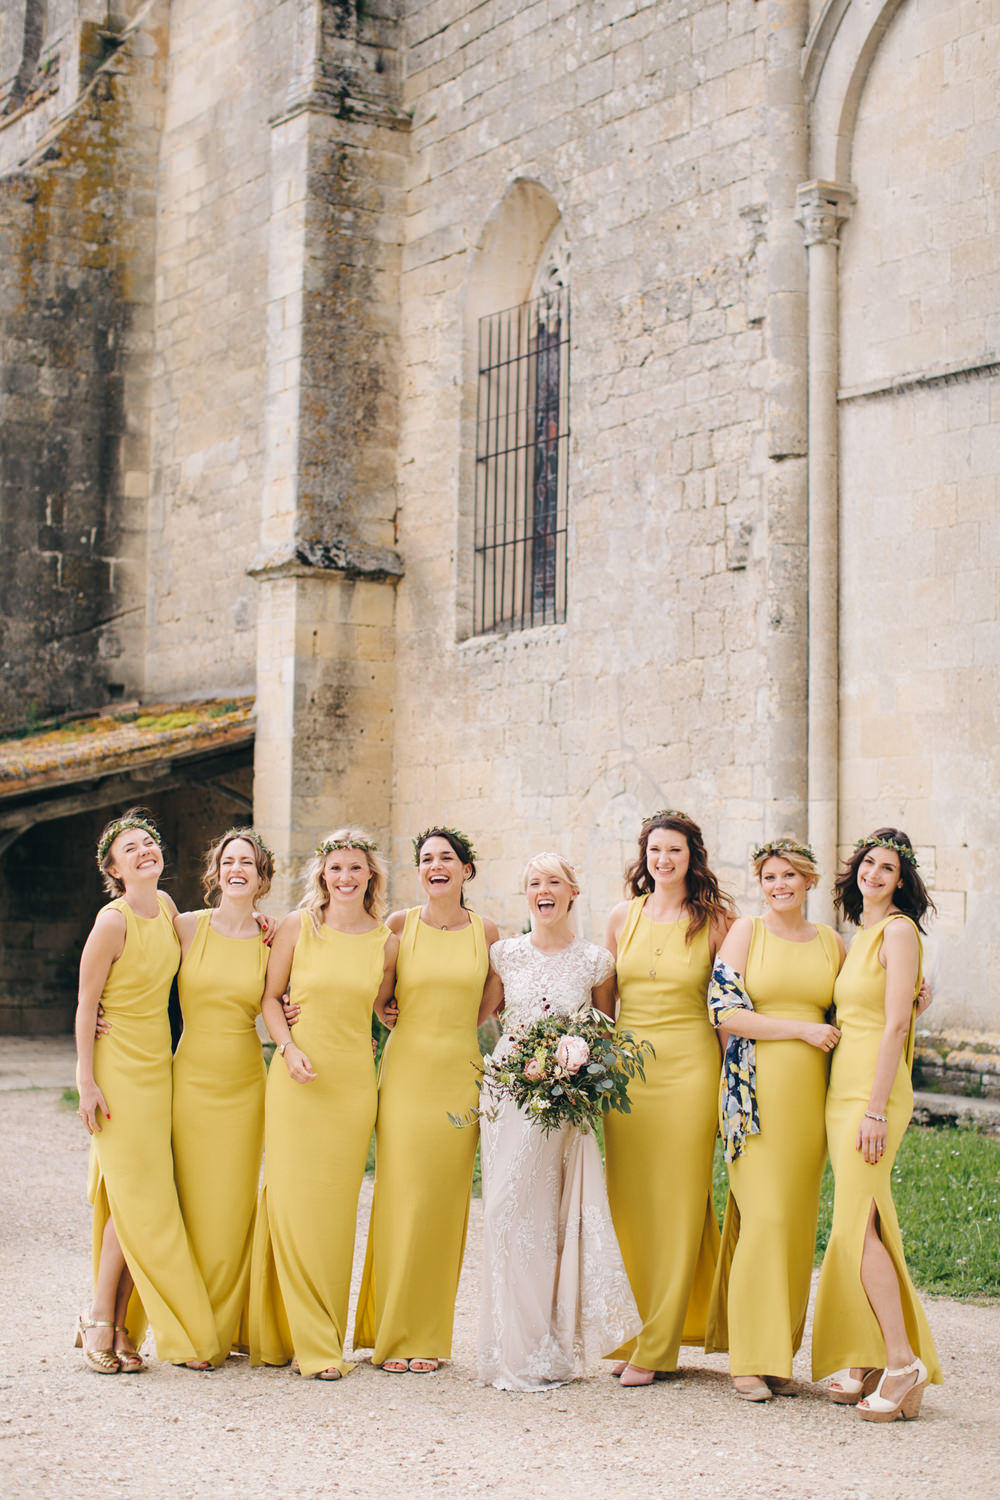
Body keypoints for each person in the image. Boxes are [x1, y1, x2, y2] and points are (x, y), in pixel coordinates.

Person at [477, 852, 641, 1391]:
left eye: (553, 883)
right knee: (504, 1211)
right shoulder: (504, 954)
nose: (542, 891)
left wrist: (573, 1066)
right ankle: (509, 1346)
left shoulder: (596, 961)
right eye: (532, 883)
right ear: (526, 895)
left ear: (573, 892)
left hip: (563, 1103)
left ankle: (546, 1345)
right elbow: (478, 1013)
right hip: (507, 1093)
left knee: (548, 1217)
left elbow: (604, 1031)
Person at [74, 809, 219, 1373]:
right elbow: (87, 1004)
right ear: (113, 867)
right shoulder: (111, 922)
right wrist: (86, 1081)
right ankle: (101, 1320)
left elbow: (204, 940)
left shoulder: (166, 909)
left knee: (137, 1196)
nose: (143, 852)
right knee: (141, 1199)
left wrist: (262, 925)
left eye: (149, 844)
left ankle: (117, 1322)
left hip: (160, 1068)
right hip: (116, 1071)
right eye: (129, 848)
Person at [250, 830, 397, 1379]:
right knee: (290, 1202)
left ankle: (324, 1336)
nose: (345, 877)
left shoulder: (385, 941)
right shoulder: (296, 926)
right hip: (296, 1078)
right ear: (322, 875)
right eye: (335, 868)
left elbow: (383, 1007)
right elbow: (269, 997)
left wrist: (397, 1013)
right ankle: (303, 1341)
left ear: (370, 876)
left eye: (355, 868)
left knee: (335, 1214)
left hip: (354, 1085)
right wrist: (286, 1049)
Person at [353, 827, 498, 1373]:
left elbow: (489, 1002)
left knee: (444, 1204)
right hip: (407, 1076)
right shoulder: (398, 925)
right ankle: (392, 1334)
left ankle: (429, 1337)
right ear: (419, 872)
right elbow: (377, 994)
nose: (436, 866)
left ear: (466, 870)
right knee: (401, 1199)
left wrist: (456, 1032)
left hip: (460, 1078)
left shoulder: (487, 931)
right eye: (426, 859)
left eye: (447, 859)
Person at [704, 839, 843, 1400]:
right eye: (769, 876)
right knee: (763, 1219)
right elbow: (725, 1010)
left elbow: (854, 1007)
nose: (779, 884)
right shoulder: (746, 933)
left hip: (811, 1101)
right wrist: (802, 1029)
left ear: (808, 882)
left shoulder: (832, 942)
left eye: (789, 875)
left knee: (795, 1226)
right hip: (752, 1096)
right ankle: (748, 1360)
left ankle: (778, 1355)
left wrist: (914, 999)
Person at [812, 828, 942, 1421]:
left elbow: (893, 1029)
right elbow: (886, 1008)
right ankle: (868, 1357)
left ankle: (900, 1362)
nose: (874, 874)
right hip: (844, 1087)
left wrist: (873, 1109)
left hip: (873, 1093)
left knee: (858, 1228)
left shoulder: (898, 930)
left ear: (901, 880)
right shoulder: (861, 935)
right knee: (862, 1222)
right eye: (868, 863)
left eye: (887, 868)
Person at [603, 810, 733, 1385]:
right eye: (656, 849)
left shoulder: (717, 922)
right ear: (644, 855)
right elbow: (604, 1008)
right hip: (627, 1079)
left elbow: (730, 1008)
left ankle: (659, 1346)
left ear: (691, 856)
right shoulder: (620, 918)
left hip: (691, 1072)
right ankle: (638, 1329)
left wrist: (732, 1079)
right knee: (630, 1204)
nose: (664, 859)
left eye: (675, 850)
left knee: (680, 1201)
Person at [171, 829, 273, 1365]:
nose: (238, 869)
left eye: (248, 863)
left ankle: (223, 1328)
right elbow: (138, 974)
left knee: (231, 1208)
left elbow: (284, 1000)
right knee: (188, 1201)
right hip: (189, 1078)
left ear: (262, 878)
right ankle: (190, 1326)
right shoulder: (186, 926)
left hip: (243, 1080)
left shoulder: (275, 939)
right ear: (215, 873)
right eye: (229, 861)